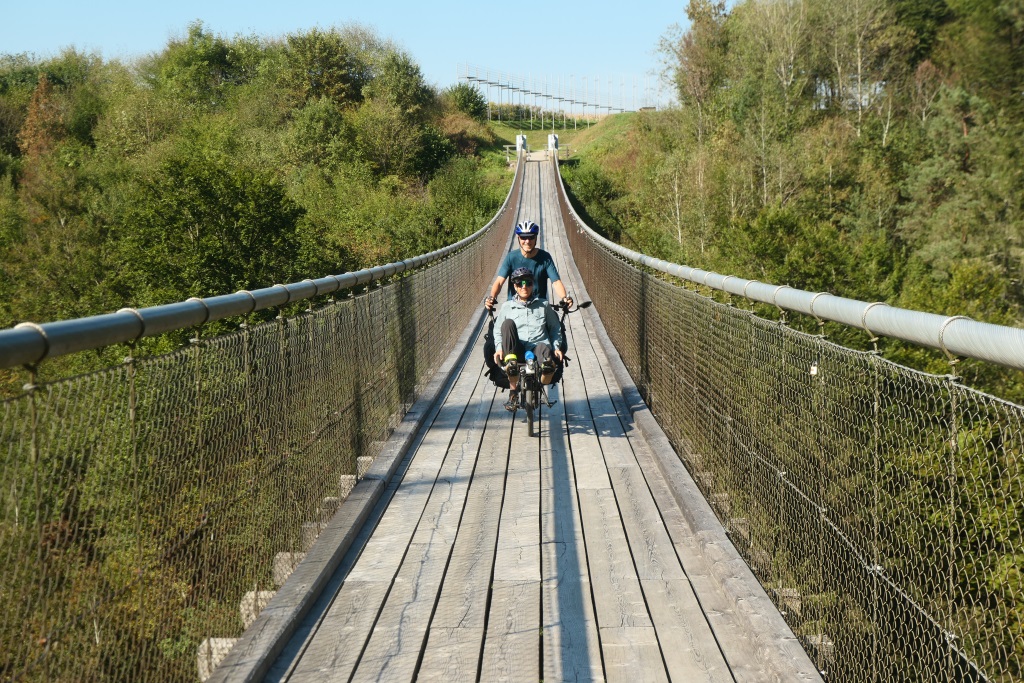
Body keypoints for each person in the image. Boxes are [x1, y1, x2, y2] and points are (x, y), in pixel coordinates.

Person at [493, 267, 565, 411]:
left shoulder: (543, 305)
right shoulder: (507, 307)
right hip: (517, 348)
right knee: (507, 325)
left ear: (533, 284)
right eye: (520, 283)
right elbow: (497, 330)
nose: (524, 286)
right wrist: (499, 348)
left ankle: (546, 373)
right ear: (515, 286)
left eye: (528, 282)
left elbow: (555, 328)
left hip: (538, 346)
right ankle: (513, 394)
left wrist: (556, 347)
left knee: (545, 354)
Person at [484, 220, 573, 311]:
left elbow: (556, 282)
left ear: (536, 238)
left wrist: (564, 298)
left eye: (531, 237)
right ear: (518, 238)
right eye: (523, 237)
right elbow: (499, 281)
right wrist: (492, 297)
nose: (527, 241)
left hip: (538, 307)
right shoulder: (511, 257)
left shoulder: (545, 258)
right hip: (514, 307)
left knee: (556, 323)